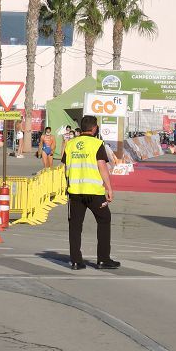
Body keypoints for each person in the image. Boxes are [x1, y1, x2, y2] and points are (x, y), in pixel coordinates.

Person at [62, 115, 117, 270]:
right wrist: (109, 188)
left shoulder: (71, 144)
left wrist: (67, 185)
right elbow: (102, 167)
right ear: (94, 128)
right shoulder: (97, 143)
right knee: (104, 219)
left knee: (75, 225)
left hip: (75, 191)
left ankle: (75, 261)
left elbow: (66, 168)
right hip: (94, 192)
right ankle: (103, 259)